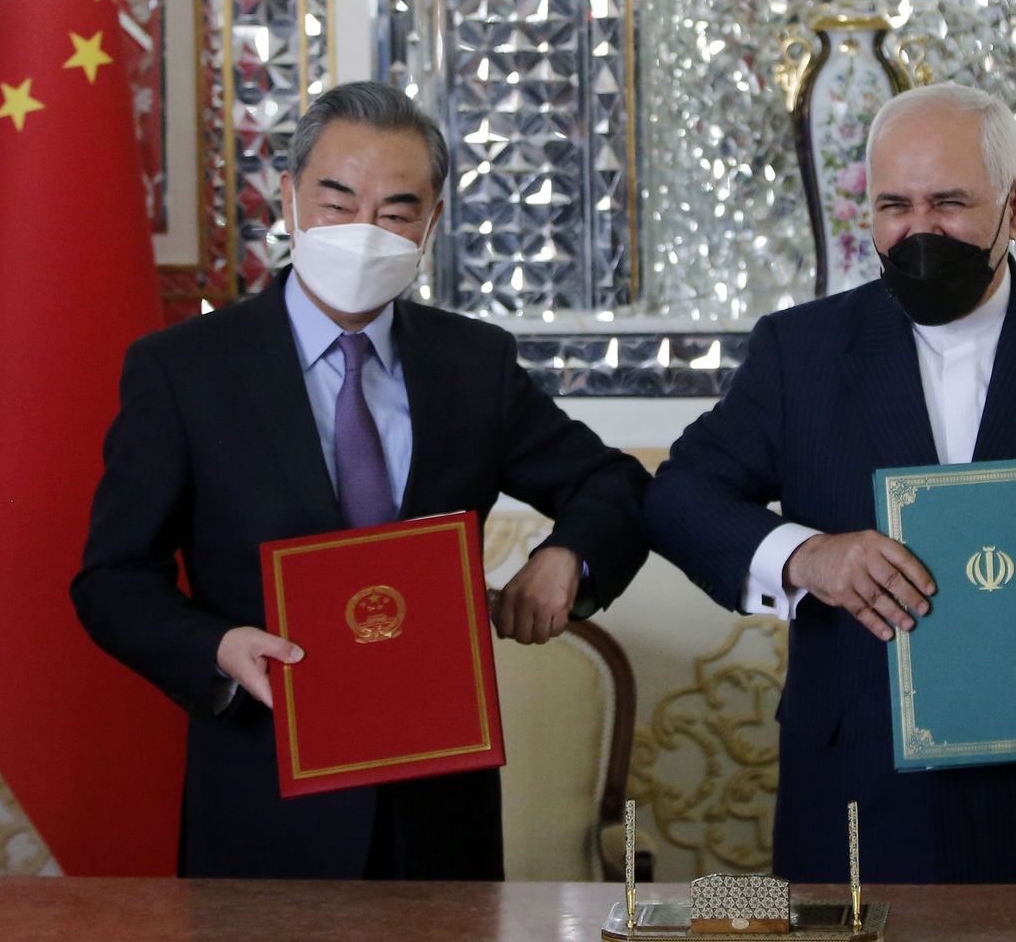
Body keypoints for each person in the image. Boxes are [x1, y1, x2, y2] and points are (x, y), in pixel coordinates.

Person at [643, 83, 1016, 884]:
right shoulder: (802, 351)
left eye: (949, 203)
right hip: (855, 779)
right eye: (894, 205)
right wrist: (806, 554)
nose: (918, 229)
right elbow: (680, 496)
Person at [72, 81, 649, 880]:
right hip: (264, 804)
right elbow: (111, 579)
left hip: (440, 811)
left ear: (431, 224)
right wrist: (216, 647)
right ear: (289, 198)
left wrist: (567, 560)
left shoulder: (470, 364)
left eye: (395, 212)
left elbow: (609, 483)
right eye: (337, 202)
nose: (361, 231)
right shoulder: (185, 371)